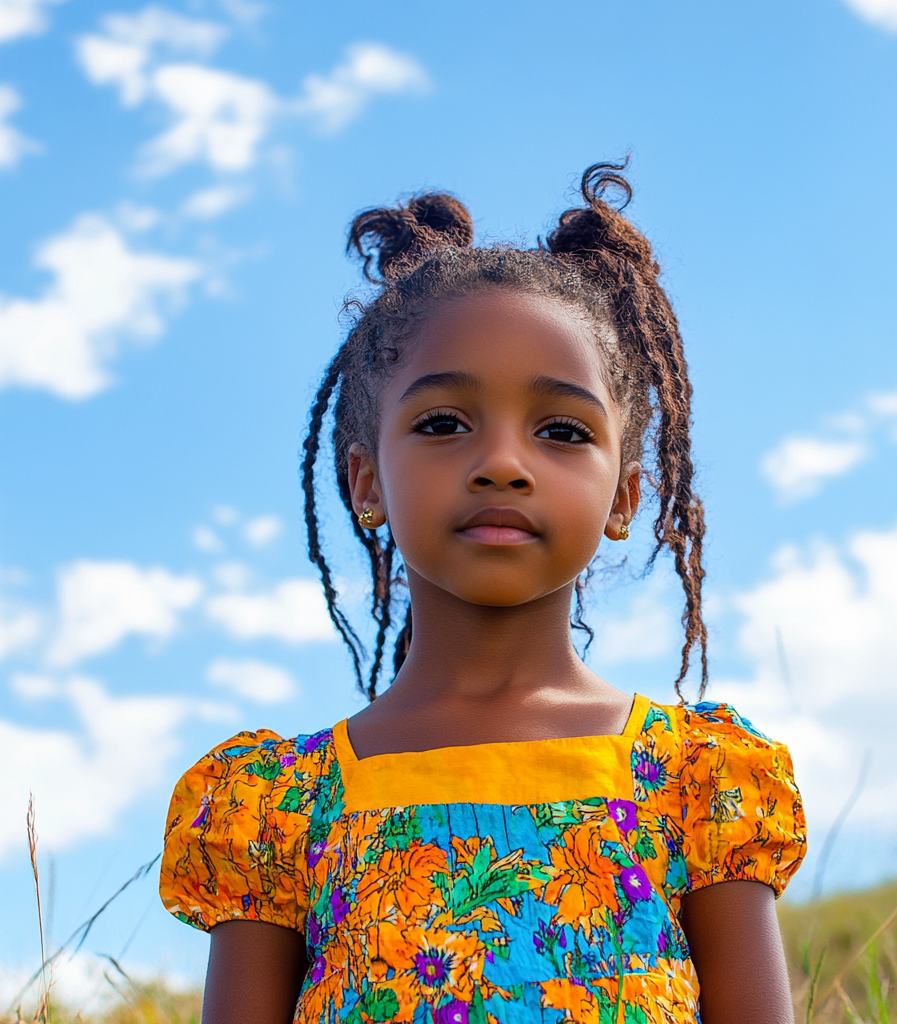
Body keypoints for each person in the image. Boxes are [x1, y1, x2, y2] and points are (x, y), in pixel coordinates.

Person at [160, 162, 806, 1024]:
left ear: (624, 497)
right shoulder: (279, 808)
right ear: (366, 482)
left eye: (562, 431)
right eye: (442, 423)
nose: (503, 461)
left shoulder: (695, 780)